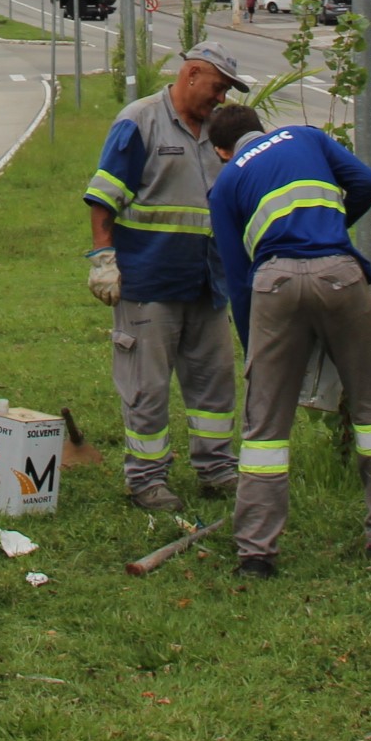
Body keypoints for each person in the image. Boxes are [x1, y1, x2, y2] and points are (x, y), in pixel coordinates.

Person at [204, 104, 371, 577]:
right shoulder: (306, 137)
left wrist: (256, 347)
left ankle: (256, 553)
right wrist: (331, 223)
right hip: (340, 273)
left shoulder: (227, 182)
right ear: (261, 129)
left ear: (220, 150)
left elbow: (237, 276)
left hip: (272, 283)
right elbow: (368, 185)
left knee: (266, 429)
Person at [83, 43, 245, 510]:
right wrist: (103, 259)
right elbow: (104, 196)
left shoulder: (219, 132)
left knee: (214, 384)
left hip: (208, 283)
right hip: (149, 283)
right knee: (146, 388)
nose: (221, 98)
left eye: (228, 91)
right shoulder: (141, 121)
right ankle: (146, 479)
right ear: (191, 74)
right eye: (218, 87)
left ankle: (216, 469)